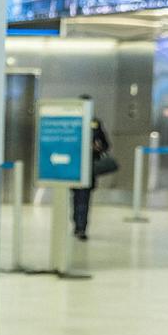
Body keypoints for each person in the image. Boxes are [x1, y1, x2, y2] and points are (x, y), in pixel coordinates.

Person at [72, 95, 111, 240]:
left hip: (89, 167)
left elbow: (106, 144)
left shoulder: (95, 123)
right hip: (75, 165)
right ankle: (77, 223)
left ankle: (81, 227)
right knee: (77, 197)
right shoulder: (73, 122)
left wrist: (98, 147)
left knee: (84, 197)